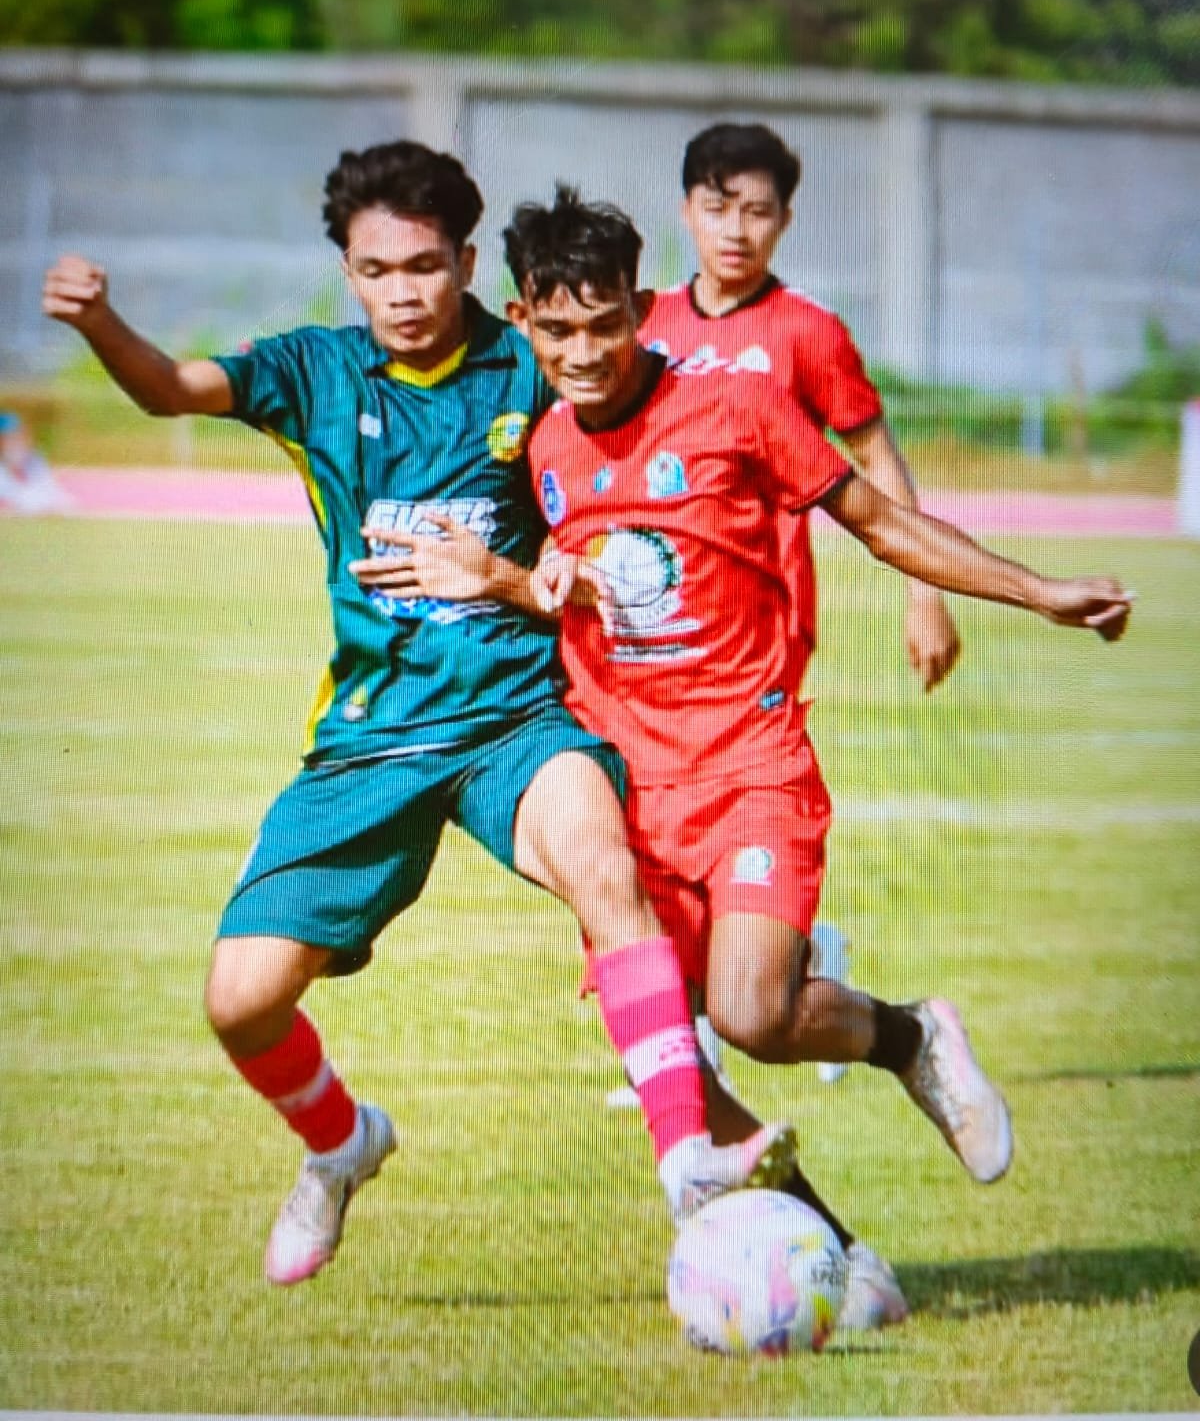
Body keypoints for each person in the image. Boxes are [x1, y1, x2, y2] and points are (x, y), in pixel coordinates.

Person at [39, 141, 795, 1290]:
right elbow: (169, 388)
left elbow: (638, 431)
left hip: (516, 720)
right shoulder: (314, 372)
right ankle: (340, 1143)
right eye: (377, 269)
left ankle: (685, 1158)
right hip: (372, 737)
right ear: (347, 272)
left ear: (470, 263)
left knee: (606, 869)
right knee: (239, 1001)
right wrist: (101, 321)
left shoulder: (530, 361)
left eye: (426, 266)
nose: (402, 292)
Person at [500, 187, 1130, 1318]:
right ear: (522, 321)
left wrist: (1039, 593)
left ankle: (910, 1036)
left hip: (750, 762)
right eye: (558, 331)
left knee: (752, 1013)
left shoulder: (737, 407)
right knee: (667, 1058)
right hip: (624, 794)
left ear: (643, 307)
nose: (584, 354)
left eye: (605, 325)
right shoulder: (535, 442)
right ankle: (839, 1257)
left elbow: (879, 522)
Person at [645, 120, 961, 694]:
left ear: (785, 220)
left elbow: (878, 461)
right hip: (655, 609)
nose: (736, 231)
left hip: (767, 613)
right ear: (686, 211)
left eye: (757, 212)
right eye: (717, 209)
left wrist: (925, 592)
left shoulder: (809, 330)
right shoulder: (644, 325)